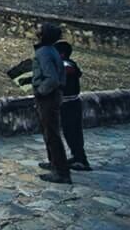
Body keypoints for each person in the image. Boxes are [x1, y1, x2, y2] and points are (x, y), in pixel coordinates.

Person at [32, 22, 71, 184]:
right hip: (53, 95)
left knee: (52, 133)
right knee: (49, 131)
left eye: (39, 30)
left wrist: (41, 91)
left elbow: (52, 78)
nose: (36, 31)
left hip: (48, 97)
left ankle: (61, 172)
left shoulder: (43, 52)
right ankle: (54, 163)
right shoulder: (51, 50)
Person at [54, 40, 92, 171]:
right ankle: (77, 157)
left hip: (69, 105)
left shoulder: (66, 65)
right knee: (71, 132)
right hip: (71, 104)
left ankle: (81, 160)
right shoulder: (67, 64)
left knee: (72, 133)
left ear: (62, 54)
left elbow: (68, 70)